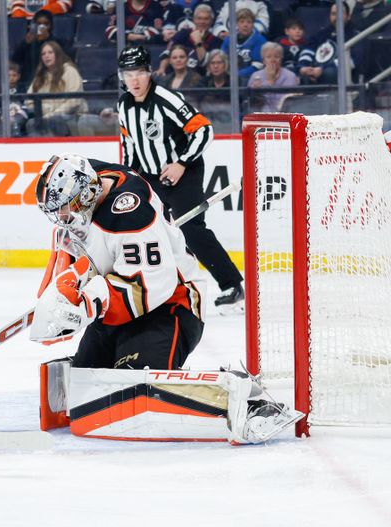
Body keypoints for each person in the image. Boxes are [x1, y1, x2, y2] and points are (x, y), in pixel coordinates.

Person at [30, 152, 302, 444]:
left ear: (85, 193)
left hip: (171, 304)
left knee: (131, 391)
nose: (61, 217)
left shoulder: (130, 213)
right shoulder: (91, 177)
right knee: (84, 390)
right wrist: (56, 295)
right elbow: (71, 242)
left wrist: (86, 304)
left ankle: (241, 398)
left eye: (65, 208)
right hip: (118, 300)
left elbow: (150, 286)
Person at [116, 46, 244, 310]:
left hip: (183, 172)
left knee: (191, 230)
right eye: (129, 74)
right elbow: (128, 142)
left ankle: (232, 285)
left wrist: (181, 163)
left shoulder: (166, 98)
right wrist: (129, 177)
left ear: (149, 72)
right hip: (150, 176)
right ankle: (158, 288)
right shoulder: (123, 105)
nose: (135, 80)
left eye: (140, 72)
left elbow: (204, 130)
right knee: (147, 231)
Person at [25, 40, 87, 137]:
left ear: (57, 54)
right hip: (46, 117)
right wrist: (46, 110)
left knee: (55, 121)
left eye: (50, 52)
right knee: (31, 123)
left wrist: (53, 113)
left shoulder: (70, 71)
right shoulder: (40, 76)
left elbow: (74, 101)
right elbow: (29, 101)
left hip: (70, 116)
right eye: (43, 54)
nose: (46, 56)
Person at [298, 3, 366, 85]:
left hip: (341, 78)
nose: (336, 17)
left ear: (348, 16)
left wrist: (322, 69)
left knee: (329, 73)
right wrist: (303, 66)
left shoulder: (355, 36)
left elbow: (353, 61)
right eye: (333, 14)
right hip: (316, 70)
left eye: (340, 14)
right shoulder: (322, 34)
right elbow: (308, 50)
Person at [155, 4, 221, 77]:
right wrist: (162, 69)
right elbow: (167, 53)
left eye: (206, 19)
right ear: (194, 20)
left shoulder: (216, 42)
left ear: (211, 21)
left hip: (199, 78)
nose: (202, 22)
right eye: (199, 18)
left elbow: (204, 63)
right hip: (174, 75)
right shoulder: (183, 34)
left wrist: (198, 42)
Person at [11, 9, 73, 87]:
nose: (42, 27)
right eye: (39, 24)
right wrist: (25, 43)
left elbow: (67, 59)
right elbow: (14, 60)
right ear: (33, 25)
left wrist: (48, 39)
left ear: (51, 26)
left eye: (46, 24)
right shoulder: (28, 43)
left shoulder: (60, 43)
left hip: (52, 83)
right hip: (29, 84)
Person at [247, 42, 299, 112]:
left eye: (276, 57)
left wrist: (271, 81)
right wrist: (257, 91)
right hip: (260, 116)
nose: (273, 60)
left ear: (281, 59)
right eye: (268, 57)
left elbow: (286, 102)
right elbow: (252, 103)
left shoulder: (290, 76)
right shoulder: (255, 76)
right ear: (263, 60)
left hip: (283, 116)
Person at [221, 8, 267, 82]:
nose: (245, 25)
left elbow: (257, 65)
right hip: (229, 78)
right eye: (242, 22)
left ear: (253, 24)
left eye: (249, 22)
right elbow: (221, 58)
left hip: (250, 79)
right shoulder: (229, 39)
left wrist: (236, 75)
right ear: (237, 24)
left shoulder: (259, 40)